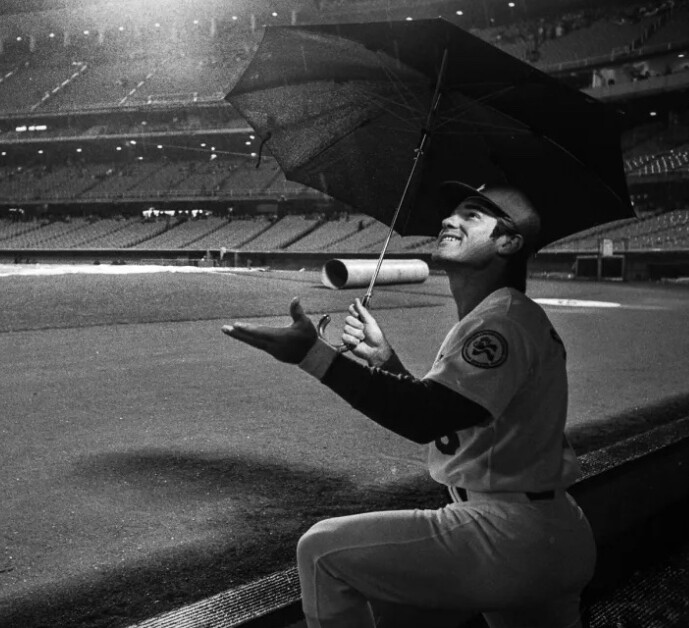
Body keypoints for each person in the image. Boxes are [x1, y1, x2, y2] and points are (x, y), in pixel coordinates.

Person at [221, 182, 596, 628]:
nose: (448, 221)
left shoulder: (499, 322)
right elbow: (458, 416)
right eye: (451, 213)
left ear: (508, 241)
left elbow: (428, 416)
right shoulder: (504, 315)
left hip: (507, 533)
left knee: (322, 552)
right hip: (545, 530)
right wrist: (386, 362)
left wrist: (313, 354)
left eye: (471, 215)